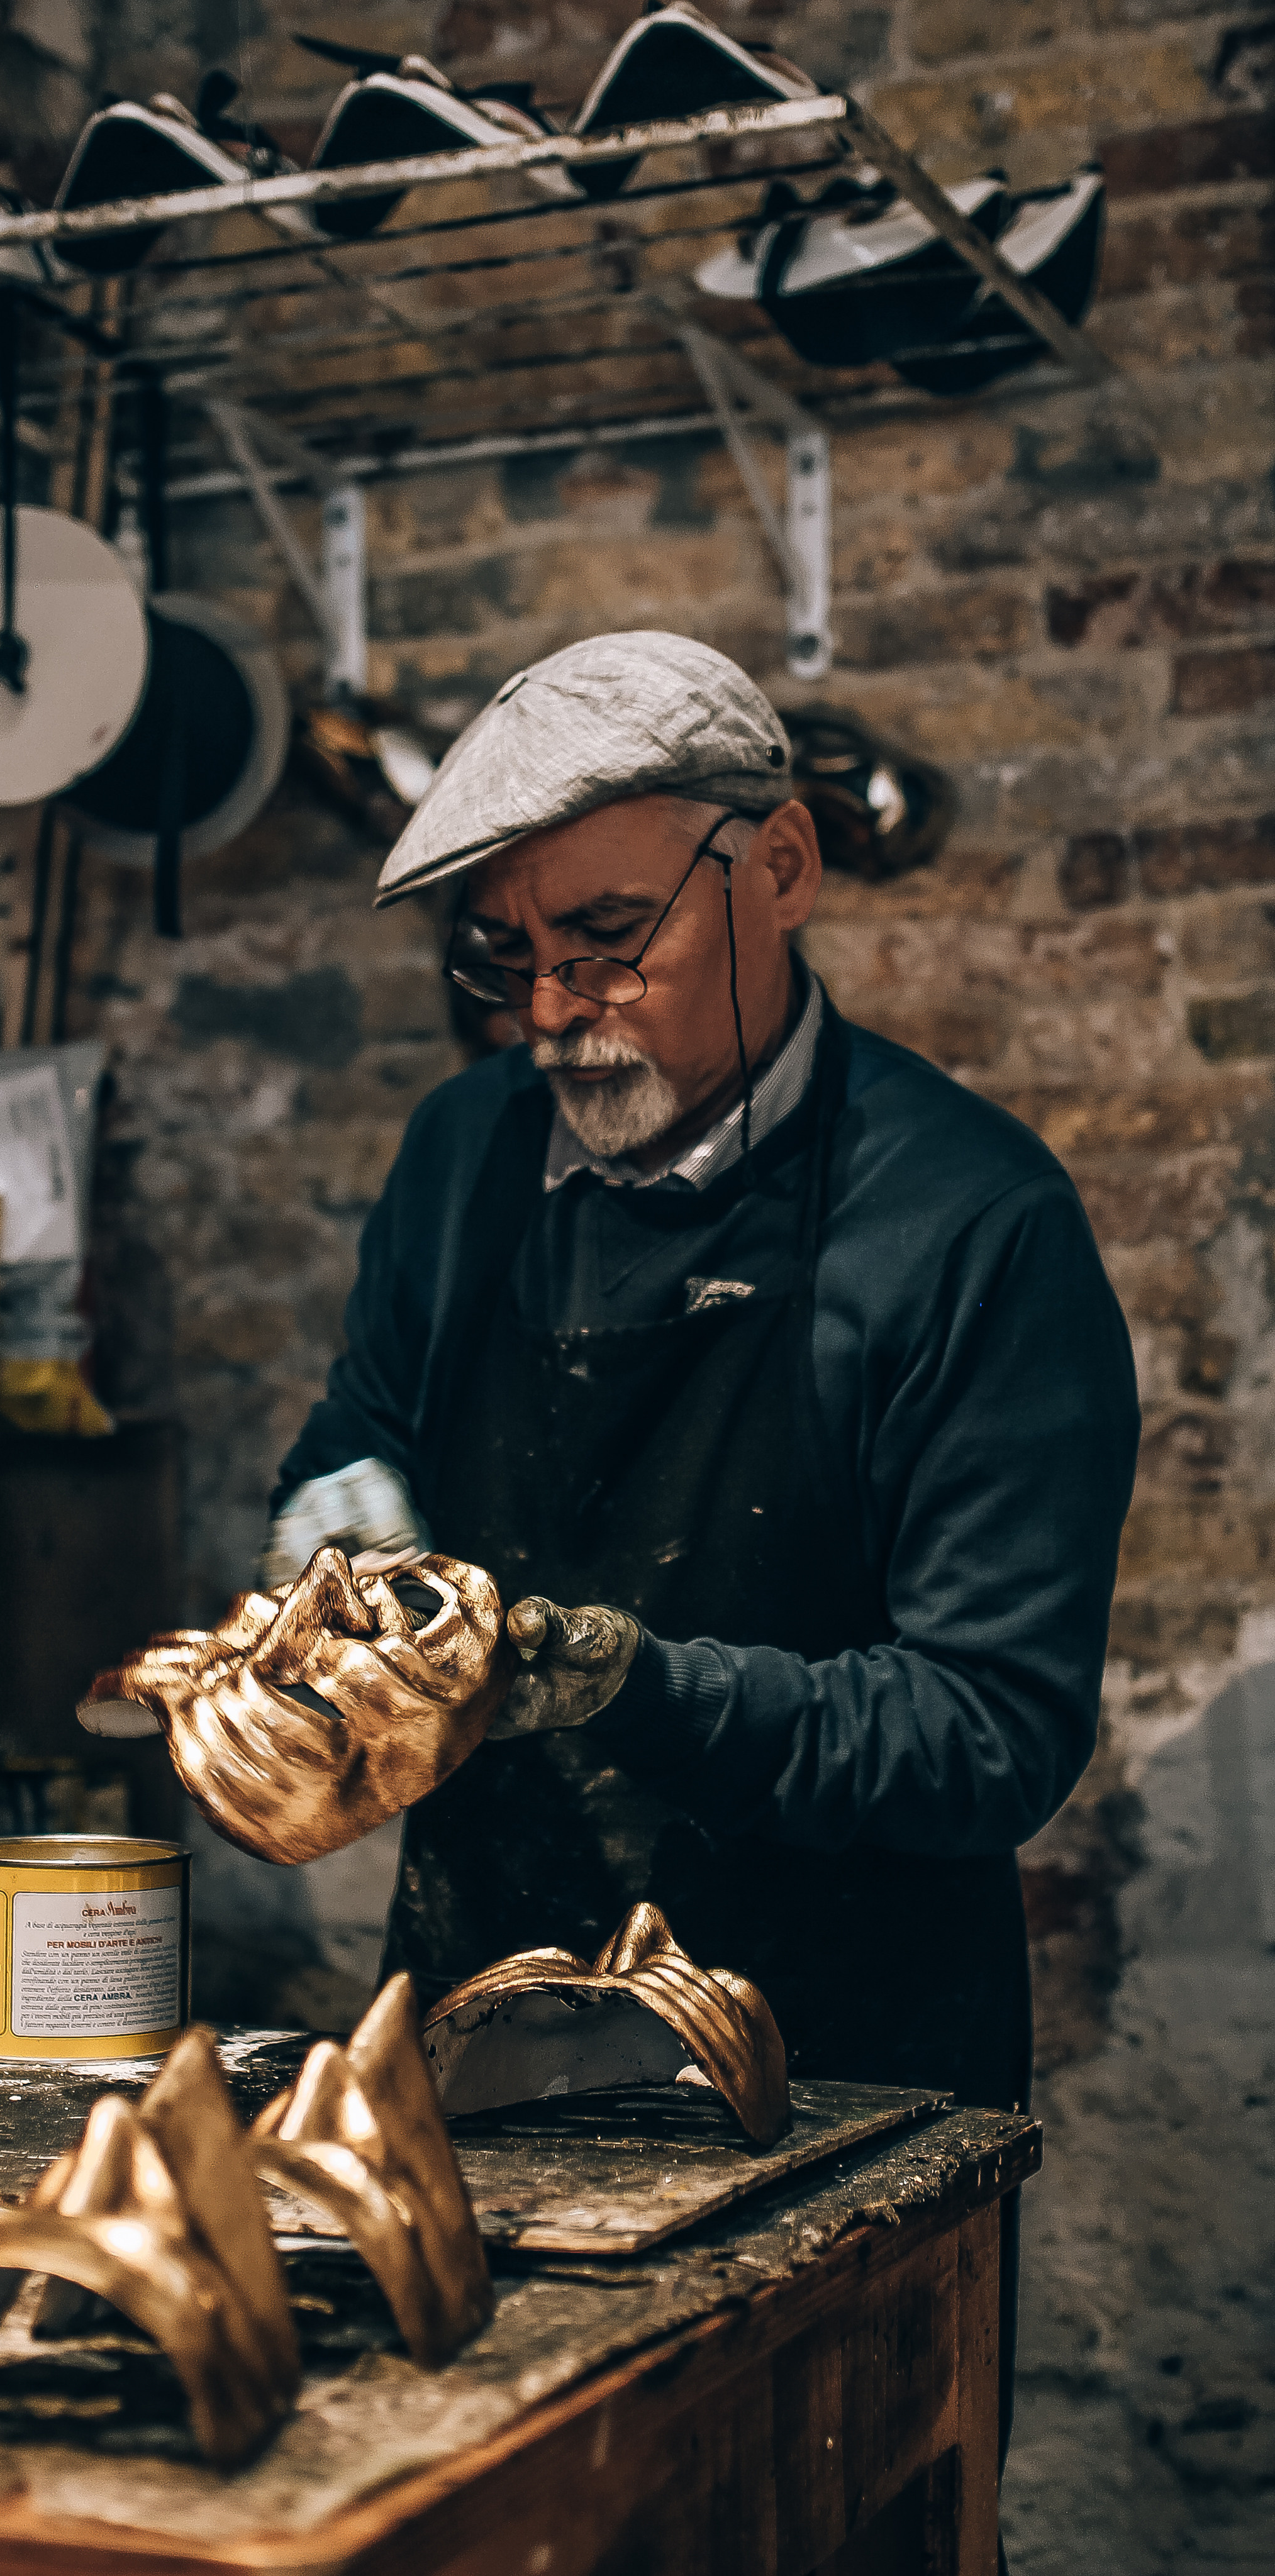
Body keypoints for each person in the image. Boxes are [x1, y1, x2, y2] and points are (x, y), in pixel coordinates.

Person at [272, 630, 1141, 2477]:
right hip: (475, 2055)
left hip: (839, 2092)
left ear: (782, 867)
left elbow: (996, 1729)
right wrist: (334, 1514)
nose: (555, 1010)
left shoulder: (974, 1226)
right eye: (508, 958)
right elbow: (365, 1422)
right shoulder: (459, 1159)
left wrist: (627, 1683)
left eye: (607, 941)